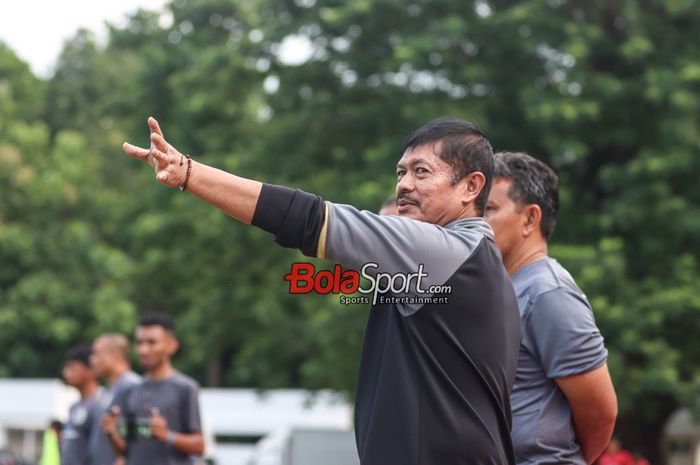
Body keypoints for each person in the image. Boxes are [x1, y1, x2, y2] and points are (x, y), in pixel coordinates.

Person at [122, 116, 522, 465]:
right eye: (400, 173)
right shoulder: (481, 265)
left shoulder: (442, 251)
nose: (404, 185)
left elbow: (308, 218)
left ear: (471, 187)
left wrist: (189, 173)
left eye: (421, 172)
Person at [484, 151, 618, 465]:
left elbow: (601, 413)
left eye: (488, 209)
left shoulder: (548, 292)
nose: (476, 223)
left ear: (530, 219)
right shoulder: (505, 289)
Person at [104, 314, 204, 465]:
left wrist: (168, 436)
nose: (143, 350)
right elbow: (124, 450)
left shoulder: (185, 388)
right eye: (139, 343)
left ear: (172, 345)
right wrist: (112, 433)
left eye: (152, 342)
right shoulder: (130, 390)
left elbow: (199, 445)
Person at [90, 333, 142, 465]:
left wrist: (124, 457)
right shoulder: (109, 389)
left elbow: (138, 437)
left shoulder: (131, 385)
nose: (92, 360)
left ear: (115, 356)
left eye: (97, 354)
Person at [61, 345, 102, 465]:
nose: (66, 373)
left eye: (72, 368)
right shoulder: (73, 407)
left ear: (90, 369)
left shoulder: (101, 404)